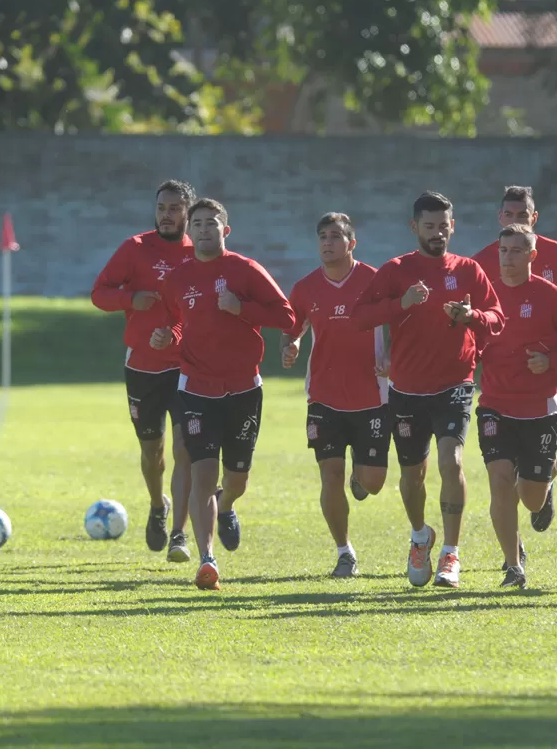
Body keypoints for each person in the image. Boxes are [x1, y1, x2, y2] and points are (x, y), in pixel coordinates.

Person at [352, 191, 504, 588]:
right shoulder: (395, 270)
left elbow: (496, 318)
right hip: (406, 389)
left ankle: (450, 554)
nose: (438, 233)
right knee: (411, 475)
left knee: (451, 461)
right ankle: (421, 535)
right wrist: (401, 303)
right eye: (430, 226)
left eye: (444, 226)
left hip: (455, 384)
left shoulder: (469, 270)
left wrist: (471, 316)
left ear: (453, 226)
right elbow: (359, 317)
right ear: (414, 227)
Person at [160, 199, 296, 590]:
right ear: (190, 230)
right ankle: (207, 560)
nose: (204, 229)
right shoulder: (177, 278)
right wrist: (165, 336)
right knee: (202, 471)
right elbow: (175, 324)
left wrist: (242, 309)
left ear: (226, 230)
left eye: (211, 223)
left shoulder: (245, 270)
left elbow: (286, 317)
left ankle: (228, 505)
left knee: (235, 479)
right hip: (196, 388)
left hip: (242, 389)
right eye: (197, 223)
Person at [90, 179, 197, 563]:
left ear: (188, 211)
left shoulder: (199, 251)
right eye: (160, 208)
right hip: (142, 368)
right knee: (153, 452)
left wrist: (177, 334)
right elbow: (99, 293)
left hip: (187, 368)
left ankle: (180, 534)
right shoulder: (134, 249)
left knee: (186, 448)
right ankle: (157, 505)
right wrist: (130, 298)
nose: (165, 215)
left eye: (173, 208)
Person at [282, 212, 391, 578]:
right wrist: (291, 344)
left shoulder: (374, 280)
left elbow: (401, 320)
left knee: (373, 483)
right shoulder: (305, 287)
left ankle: (361, 480)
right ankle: (345, 552)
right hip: (324, 397)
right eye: (322, 236)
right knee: (330, 475)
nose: (327, 242)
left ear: (351, 243)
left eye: (335, 236)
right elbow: (293, 326)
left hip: (372, 396)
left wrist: (393, 357)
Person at [477, 225, 557, 587]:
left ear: (532, 256)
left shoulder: (550, 296)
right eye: (503, 250)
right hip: (494, 402)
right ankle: (513, 565)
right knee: (499, 480)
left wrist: (551, 360)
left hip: (539, 406)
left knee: (533, 499)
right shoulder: (485, 294)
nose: (507, 258)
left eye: (515, 251)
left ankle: (548, 471)